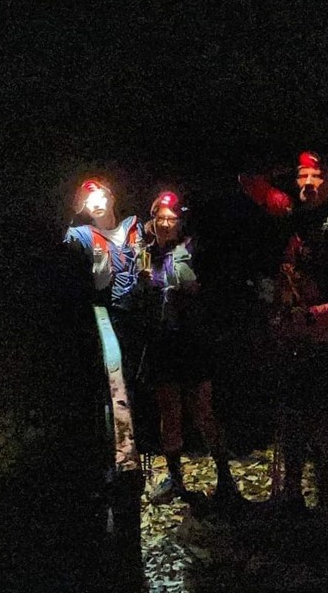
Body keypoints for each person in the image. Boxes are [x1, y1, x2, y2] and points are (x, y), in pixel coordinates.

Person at [239, 150, 328, 515]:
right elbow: (248, 181)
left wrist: (313, 316)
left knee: (320, 422)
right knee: (290, 418)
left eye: (316, 176)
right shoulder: (294, 217)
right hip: (291, 337)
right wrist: (278, 172)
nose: (308, 183)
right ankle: (292, 495)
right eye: (302, 176)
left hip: (322, 341)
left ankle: (326, 501)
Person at [63, 177, 149, 585]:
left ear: (112, 197)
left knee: (139, 382)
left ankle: (142, 447)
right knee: (115, 386)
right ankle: (121, 455)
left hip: (139, 314)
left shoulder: (134, 227)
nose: (95, 203)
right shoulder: (79, 236)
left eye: (99, 196)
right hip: (105, 313)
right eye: (87, 200)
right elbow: (71, 272)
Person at [138, 190, 240, 505]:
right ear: (152, 221)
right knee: (169, 412)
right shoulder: (144, 254)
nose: (166, 223)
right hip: (162, 342)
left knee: (203, 411)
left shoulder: (194, 249)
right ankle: (175, 479)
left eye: (171, 218)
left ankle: (225, 478)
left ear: (180, 222)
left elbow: (214, 285)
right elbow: (138, 295)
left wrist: (195, 290)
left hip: (193, 340)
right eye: (160, 218)